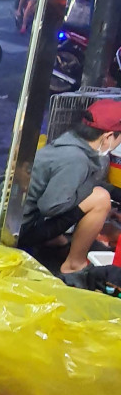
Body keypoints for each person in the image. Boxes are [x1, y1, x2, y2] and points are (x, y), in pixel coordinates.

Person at [19, 99, 121, 274]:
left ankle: (53, 240)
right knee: (100, 199)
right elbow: (51, 206)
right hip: (22, 230)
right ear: (108, 136)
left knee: (95, 193)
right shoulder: (76, 159)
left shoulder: (72, 141)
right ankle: (74, 264)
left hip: (22, 217)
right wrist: (89, 197)